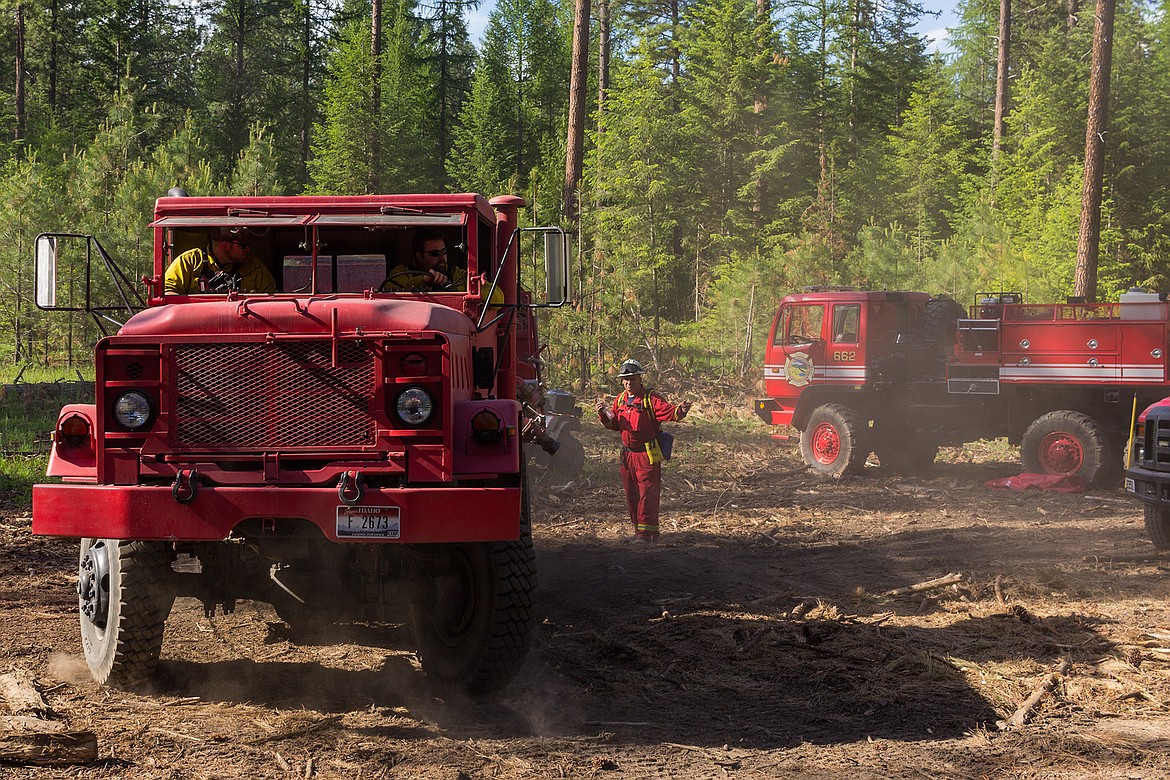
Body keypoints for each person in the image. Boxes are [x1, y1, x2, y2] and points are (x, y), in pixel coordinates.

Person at [596, 358, 692, 543]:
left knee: (647, 493)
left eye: (632, 378)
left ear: (640, 378)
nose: (628, 383)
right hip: (627, 455)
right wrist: (603, 414)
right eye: (625, 379)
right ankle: (641, 531)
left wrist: (681, 410)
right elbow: (614, 424)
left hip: (647, 453)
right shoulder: (620, 399)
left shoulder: (651, 398)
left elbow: (670, 413)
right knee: (631, 494)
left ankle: (645, 535)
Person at [164, 228, 276, 294]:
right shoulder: (189, 261)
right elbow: (167, 291)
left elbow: (272, 296)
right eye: (243, 245)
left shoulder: (255, 267)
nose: (248, 249)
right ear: (225, 246)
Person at [381, 229, 467, 292]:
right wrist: (424, 279)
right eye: (434, 253)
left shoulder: (458, 275)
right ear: (419, 256)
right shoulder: (401, 272)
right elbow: (391, 289)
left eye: (444, 251)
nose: (442, 257)